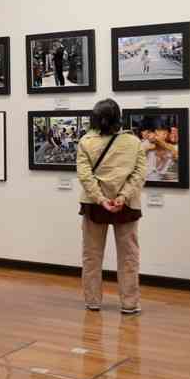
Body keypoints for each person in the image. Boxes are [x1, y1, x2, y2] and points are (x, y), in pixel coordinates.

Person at [77, 99, 147, 315]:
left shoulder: (86, 142)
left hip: (94, 206)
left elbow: (85, 176)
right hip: (126, 206)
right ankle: (129, 302)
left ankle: (93, 300)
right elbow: (139, 174)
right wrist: (123, 197)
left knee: (92, 255)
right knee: (129, 256)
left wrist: (100, 199)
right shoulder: (134, 142)